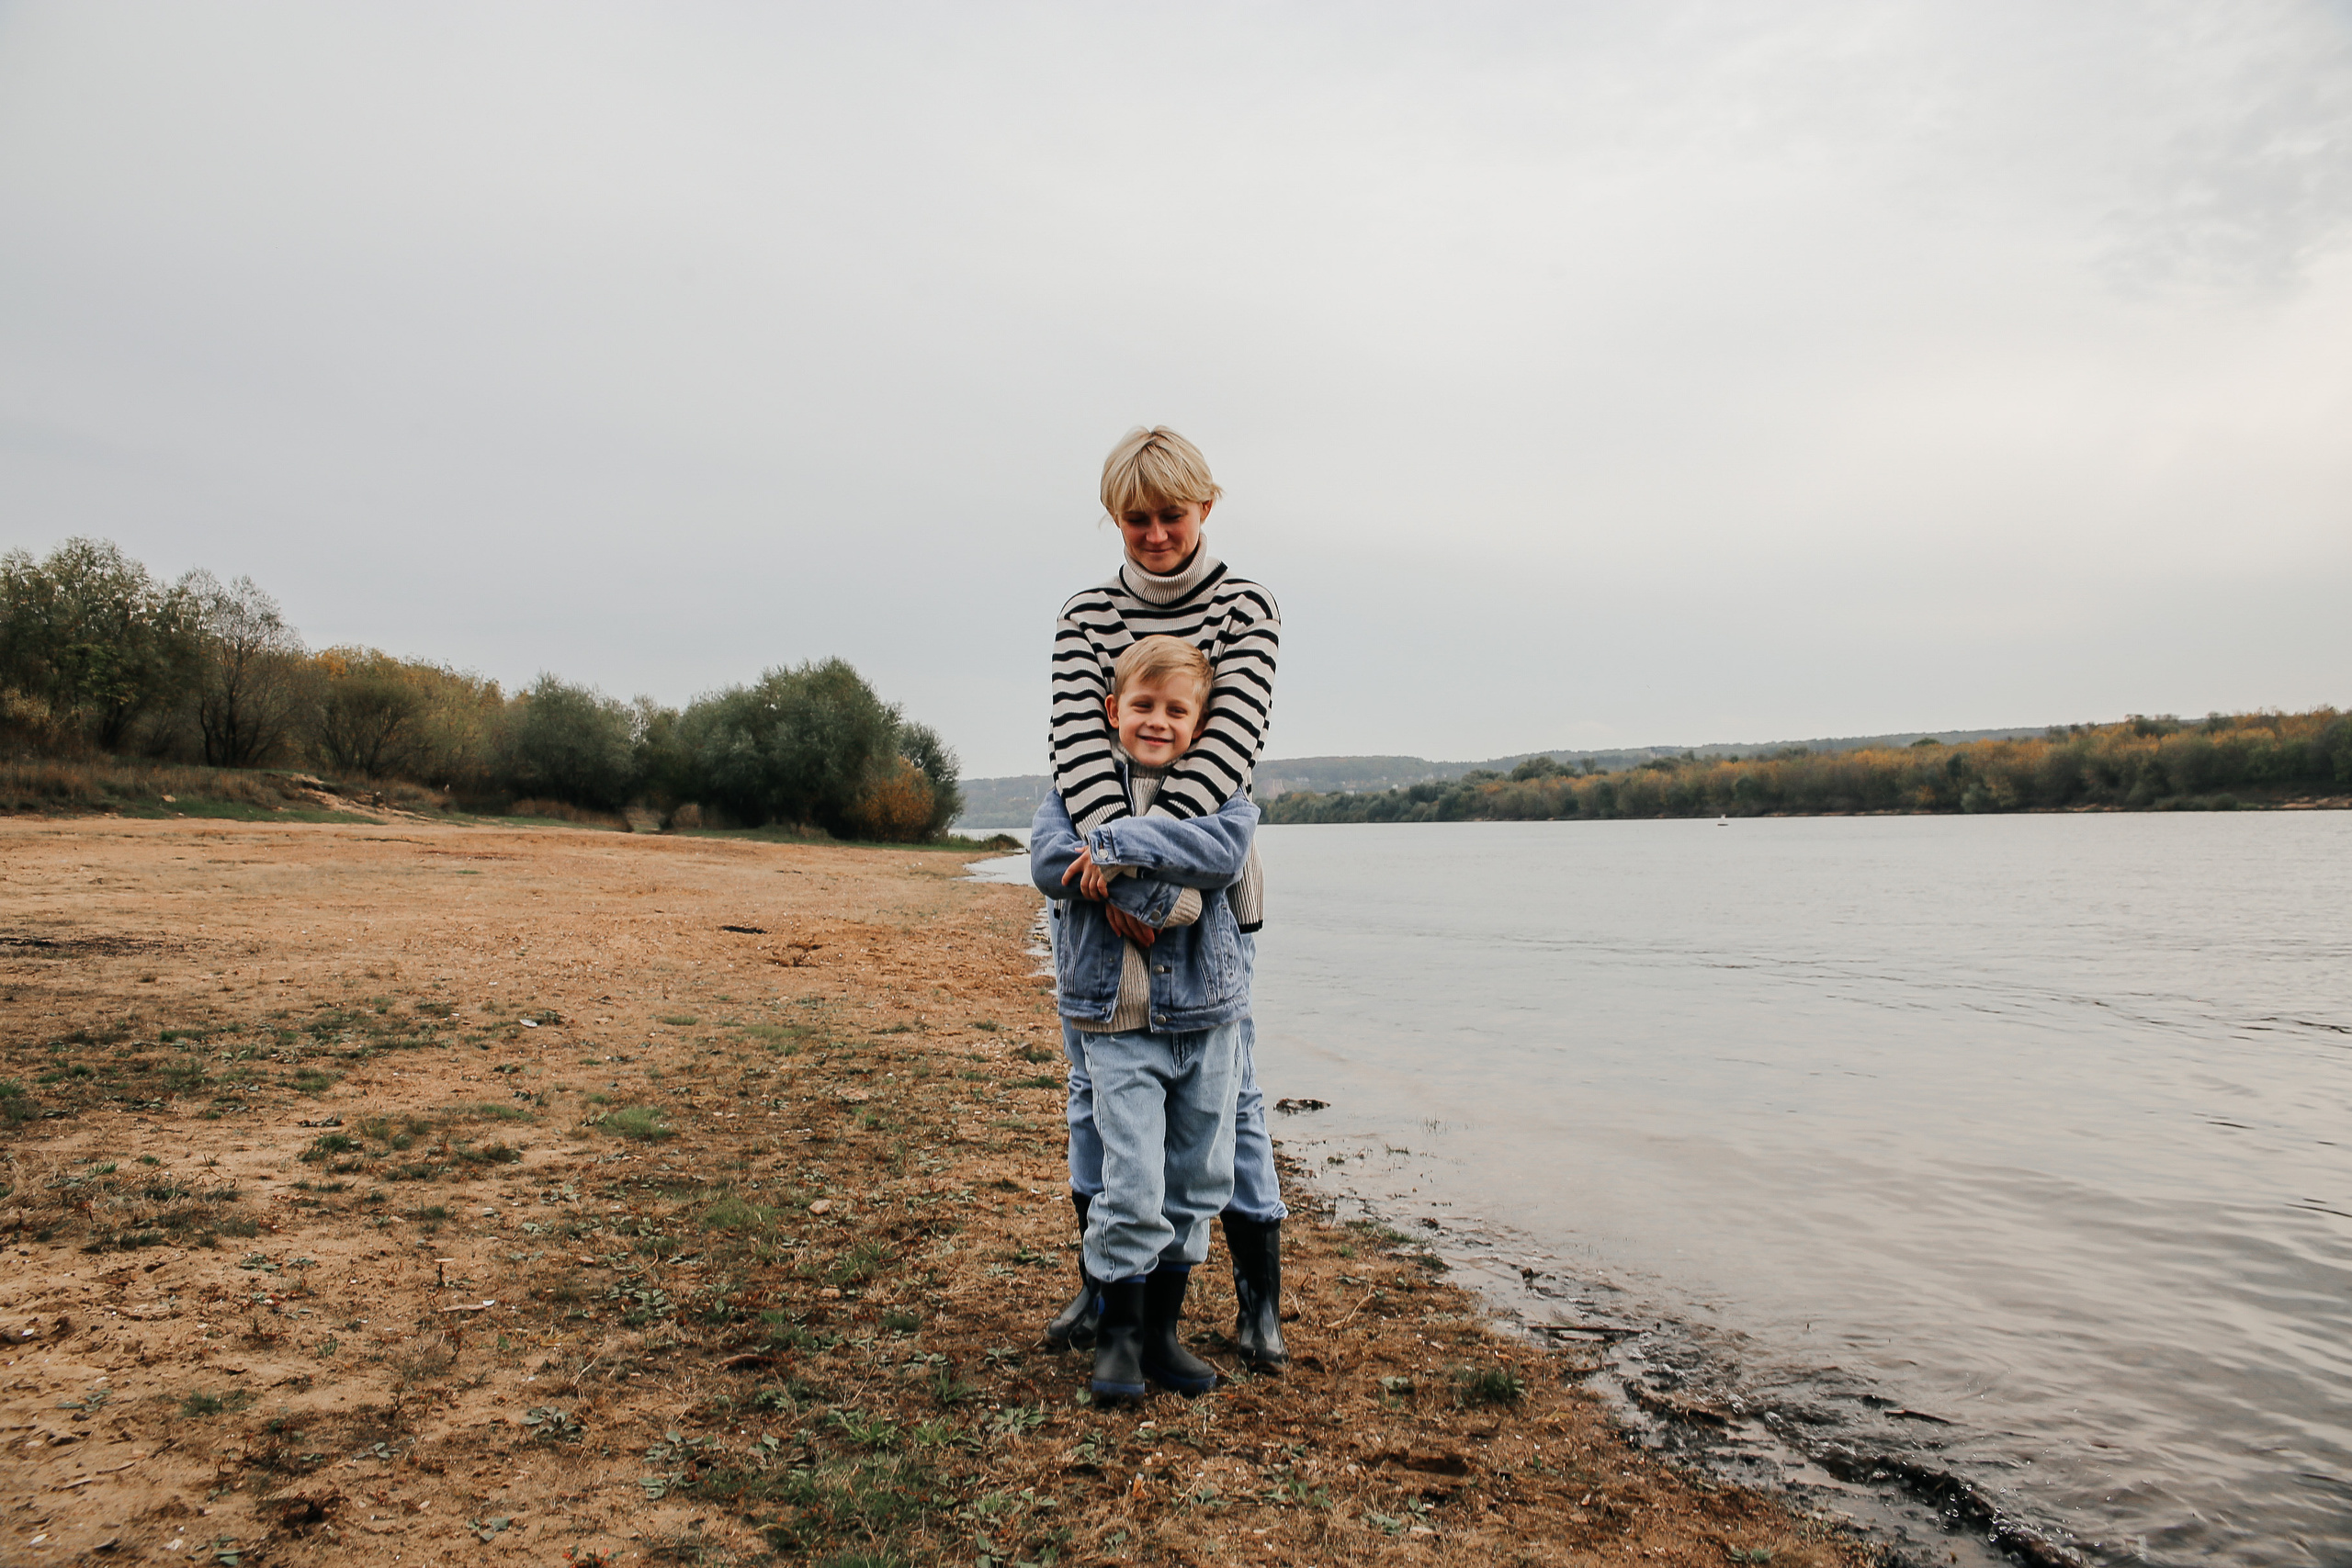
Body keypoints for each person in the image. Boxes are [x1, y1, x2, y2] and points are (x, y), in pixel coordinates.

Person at [1042, 426, 1289, 1371]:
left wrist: (1142, 872)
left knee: (1227, 1094)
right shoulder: (1083, 615)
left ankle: (1256, 1301)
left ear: (1205, 507)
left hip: (1205, 889)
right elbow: (1075, 744)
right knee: (1093, 1092)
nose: (1154, 535)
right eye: (1136, 519)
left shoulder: (1245, 605)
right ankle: (1108, 1289)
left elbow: (1227, 751)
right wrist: (1105, 862)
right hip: (1090, 887)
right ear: (1115, 518)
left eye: (1171, 517)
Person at [1031, 636, 1259, 1399]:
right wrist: (1145, 887)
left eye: (1175, 709)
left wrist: (1119, 848)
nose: (1157, 721)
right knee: (1130, 1177)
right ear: (1111, 711)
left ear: (1201, 723)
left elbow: (1220, 857)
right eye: (1142, 706)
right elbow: (1049, 863)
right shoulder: (1073, 788)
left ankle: (1163, 1330)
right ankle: (1119, 1334)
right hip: (1117, 1020)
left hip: (1206, 1015)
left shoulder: (1227, 795)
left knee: (1199, 1176)